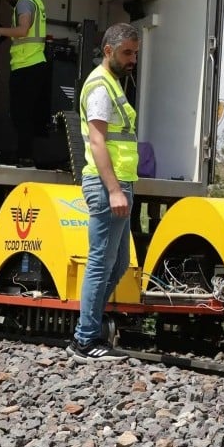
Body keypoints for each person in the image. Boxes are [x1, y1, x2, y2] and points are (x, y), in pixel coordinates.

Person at [69, 23, 140, 363]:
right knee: (101, 262)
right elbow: (97, 141)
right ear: (109, 50)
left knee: (119, 262)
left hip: (120, 184)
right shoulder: (100, 86)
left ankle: (88, 328)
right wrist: (114, 190)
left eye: (135, 53)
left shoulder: (111, 85)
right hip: (107, 185)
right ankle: (85, 339)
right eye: (127, 52)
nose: (133, 59)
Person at [0, 0, 48, 165]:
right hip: (33, 63)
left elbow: (22, 30)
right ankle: (25, 155)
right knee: (26, 113)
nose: (5, 0)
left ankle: (25, 157)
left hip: (27, 65)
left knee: (21, 114)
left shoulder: (24, 2)